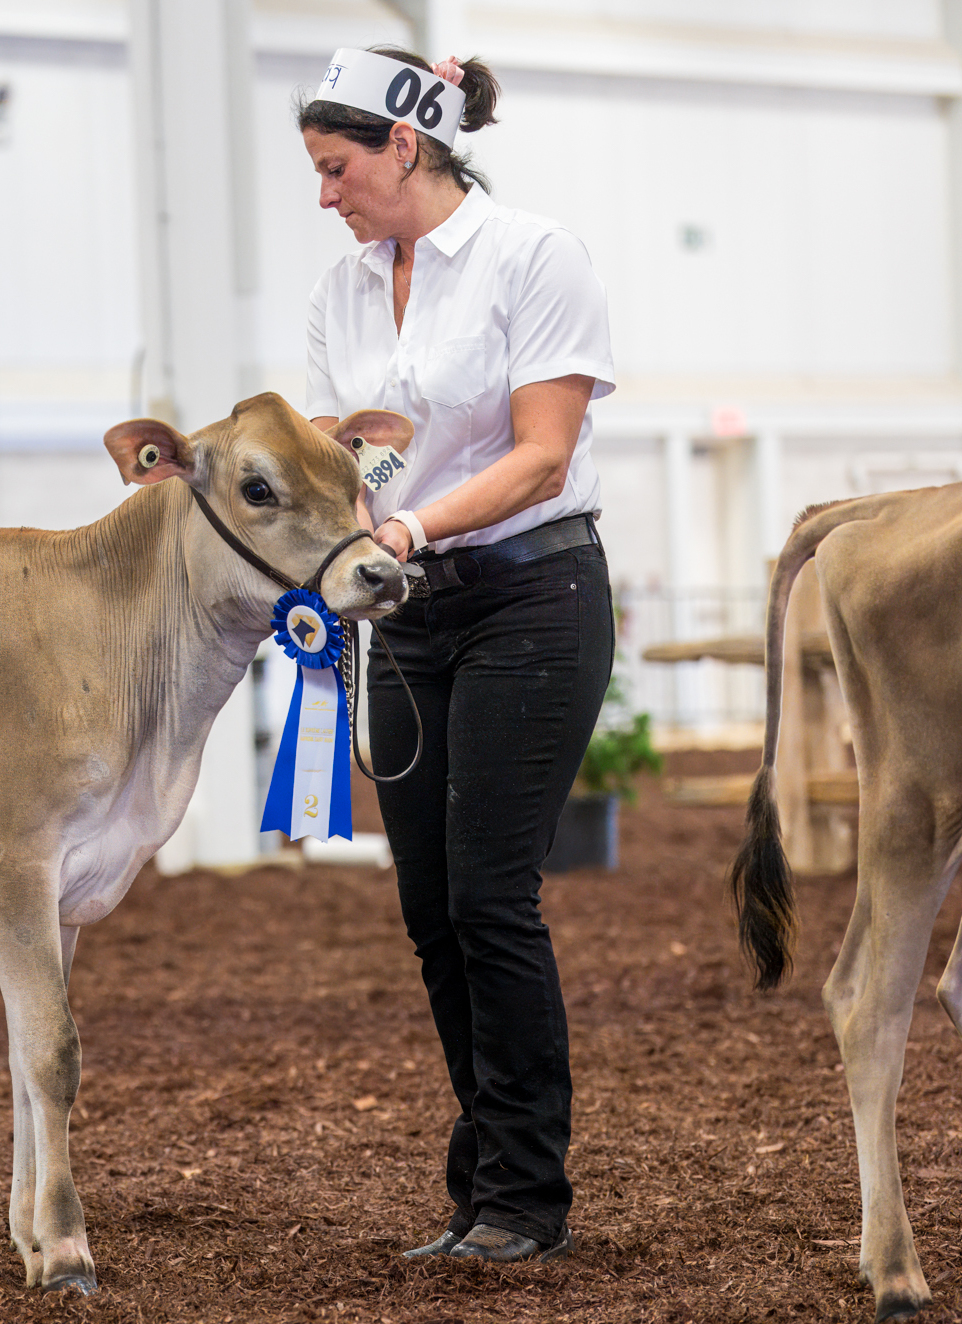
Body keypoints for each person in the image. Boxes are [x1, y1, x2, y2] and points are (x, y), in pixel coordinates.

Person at [298, 47, 615, 1262]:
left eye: (336, 168)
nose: (324, 194)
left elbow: (541, 454)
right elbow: (338, 453)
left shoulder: (533, 256)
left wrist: (404, 528)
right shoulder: (339, 291)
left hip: (529, 596)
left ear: (403, 146)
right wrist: (345, 530)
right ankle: (483, 1180)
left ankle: (524, 1194)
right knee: (431, 909)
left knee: (488, 896)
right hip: (406, 612)